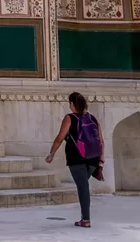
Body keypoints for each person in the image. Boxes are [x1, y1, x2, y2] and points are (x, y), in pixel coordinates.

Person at [44, 92, 103, 228]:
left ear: (71, 104)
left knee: (83, 187)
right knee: (83, 185)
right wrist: (101, 158)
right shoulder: (92, 118)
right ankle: (85, 217)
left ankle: (86, 219)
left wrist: (51, 154)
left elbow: (60, 138)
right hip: (93, 158)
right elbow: (100, 140)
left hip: (77, 158)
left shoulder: (69, 118)